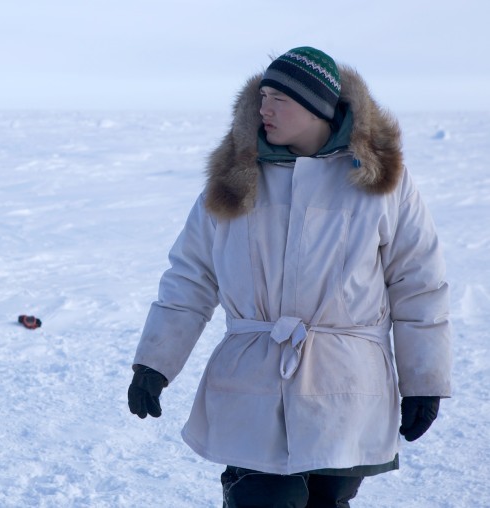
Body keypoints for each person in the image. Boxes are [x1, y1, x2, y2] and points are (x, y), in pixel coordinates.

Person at [127, 47, 452, 507]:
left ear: (318, 107)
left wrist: (424, 381)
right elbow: (191, 277)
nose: (264, 109)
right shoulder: (233, 178)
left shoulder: (382, 182)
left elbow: (418, 285)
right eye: (262, 96)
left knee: (329, 500)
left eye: (279, 97)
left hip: (345, 387)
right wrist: (154, 362)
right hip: (252, 383)